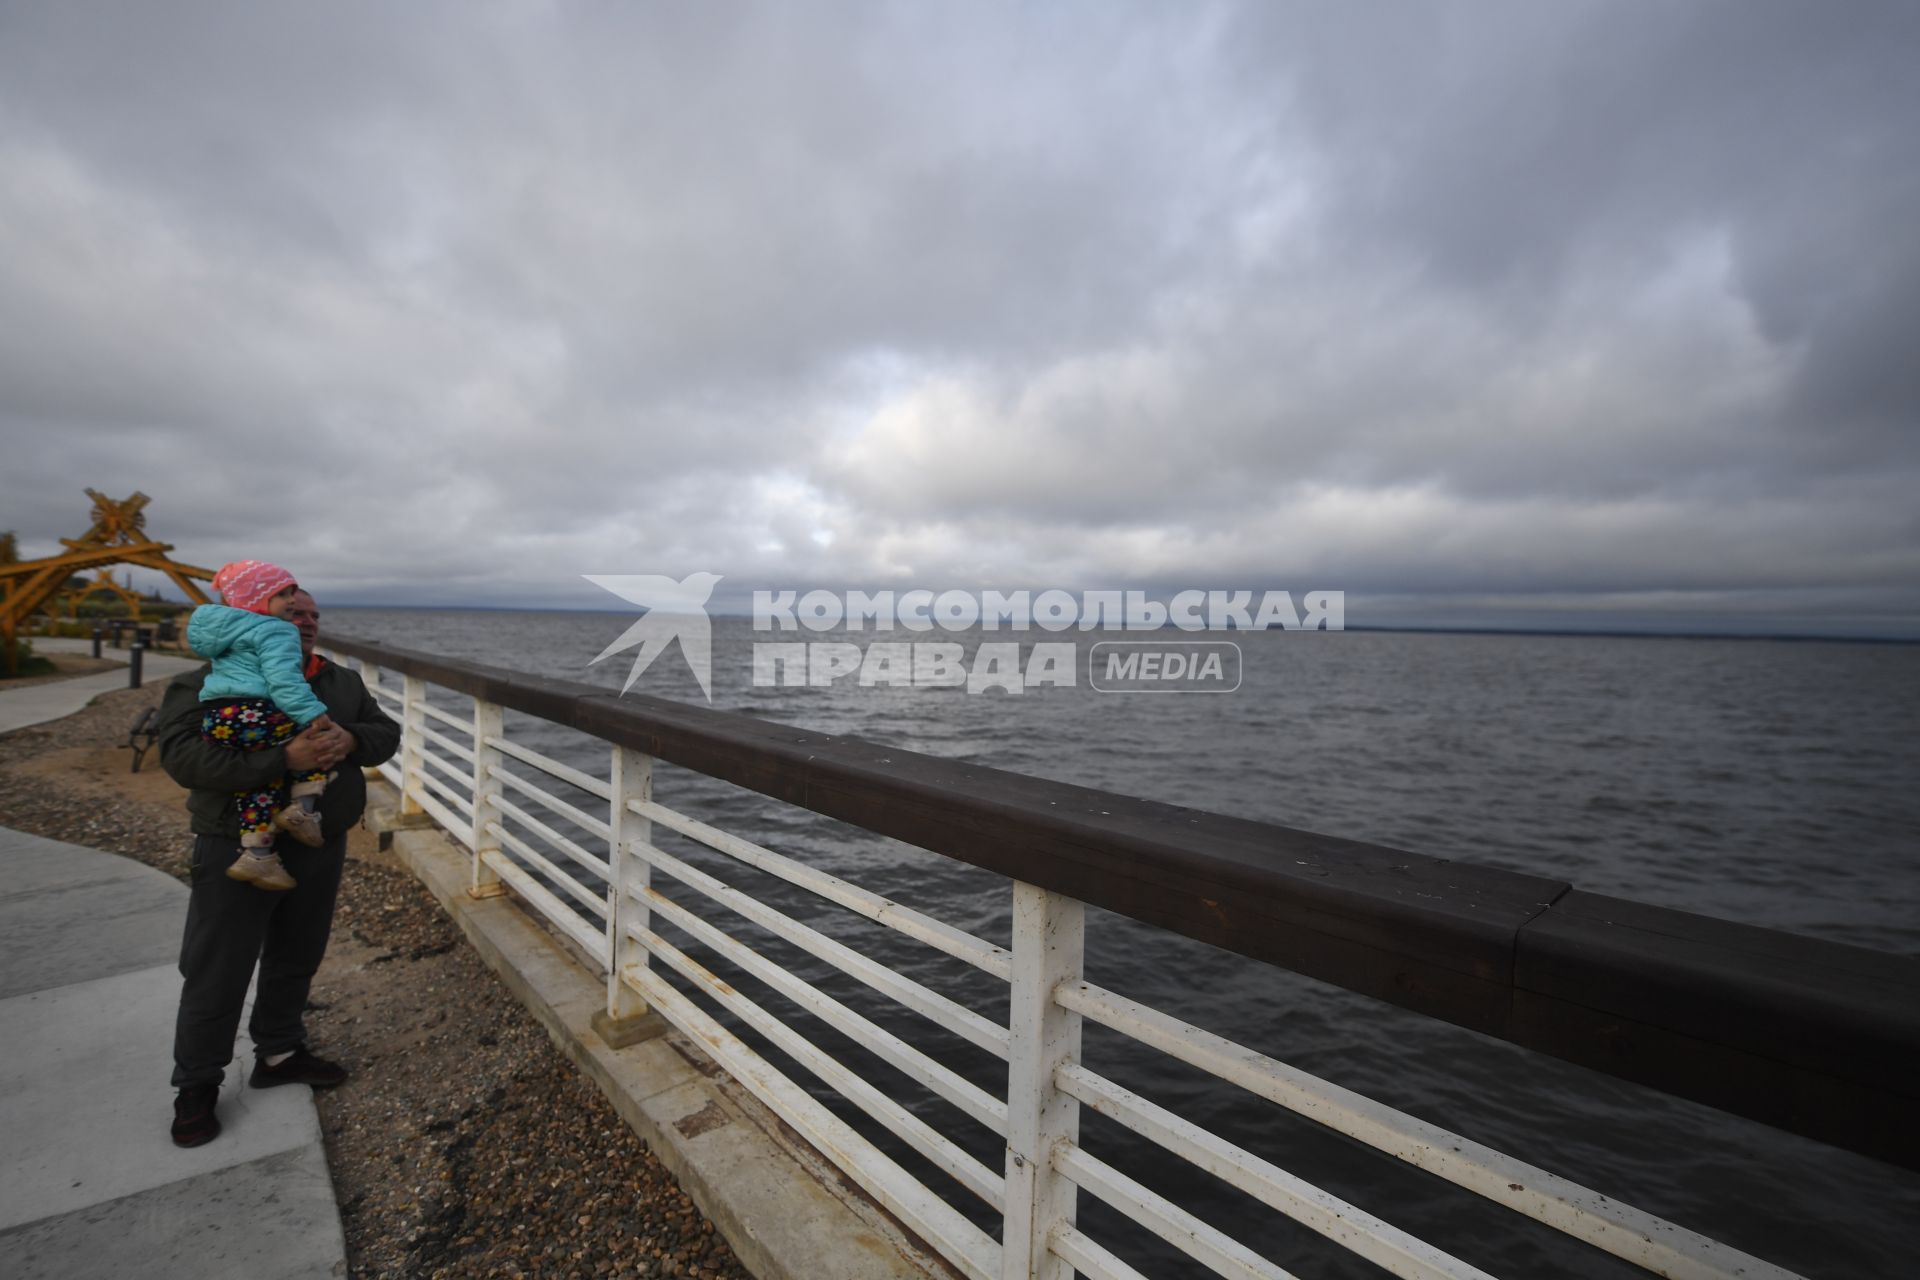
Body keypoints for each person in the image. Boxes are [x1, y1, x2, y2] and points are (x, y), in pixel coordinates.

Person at [160, 586, 399, 1147]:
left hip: (319, 839)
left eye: (315, 615)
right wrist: (281, 759)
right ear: (256, 616)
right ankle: (196, 1085)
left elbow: (385, 734)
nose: (308, 623)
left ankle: (280, 1051)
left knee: (298, 951)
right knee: (217, 963)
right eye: (295, 613)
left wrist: (351, 738)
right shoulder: (207, 681)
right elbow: (182, 757)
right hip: (232, 843)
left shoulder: (336, 681)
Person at [188, 560, 337, 891]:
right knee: (316, 739)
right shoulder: (277, 629)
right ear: (255, 597)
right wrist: (313, 713)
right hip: (256, 712)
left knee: (258, 784)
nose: (291, 601)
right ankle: (304, 808)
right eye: (282, 594)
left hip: (220, 718)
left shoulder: (228, 630)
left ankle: (258, 854)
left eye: (291, 593)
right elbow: (284, 682)